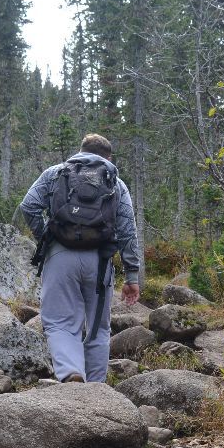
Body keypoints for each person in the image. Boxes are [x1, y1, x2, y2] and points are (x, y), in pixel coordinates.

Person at [18, 133, 141, 383]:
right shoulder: (116, 182)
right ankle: (96, 389)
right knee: (98, 329)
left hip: (60, 257)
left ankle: (72, 373)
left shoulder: (55, 173)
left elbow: (29, 205)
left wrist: (48, 237)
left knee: (60, 322)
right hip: (100, 261)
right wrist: (132, 275)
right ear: (108, 158)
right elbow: (128, 230)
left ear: (81, 151)